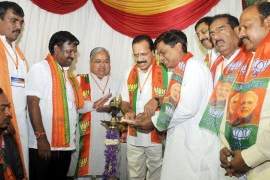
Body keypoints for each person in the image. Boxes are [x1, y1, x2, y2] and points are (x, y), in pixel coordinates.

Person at [134, 29, 219, 179]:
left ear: (178, 47)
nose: (160, 58)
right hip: (183, 143)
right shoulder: (180, 70)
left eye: (163, 52)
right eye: (159, 54)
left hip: (194, 145)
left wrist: (153, 122)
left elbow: (187, 109)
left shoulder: (194, 67)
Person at [219, 2, 270, 179]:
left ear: (269, 23)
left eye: (246, 27)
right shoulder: (247, 61)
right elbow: (232, 108)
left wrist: (249, 158)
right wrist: (226, 145)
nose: (240, 34)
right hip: (244, 164)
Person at [26, 31, 84, 180]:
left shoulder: (69, 76)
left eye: (74, 52)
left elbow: (74, 107)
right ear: (57, 49)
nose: (72, 55)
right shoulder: (40, 69)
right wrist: (41, 138)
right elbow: (32, 104)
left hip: (65, 147)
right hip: (44, 145)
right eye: (69, 51)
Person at [0, 1, 28, 176]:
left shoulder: (20, 54)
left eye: (21, 22)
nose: (18, 26)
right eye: (13, 21)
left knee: (17, 169)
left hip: (20, 126)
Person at [120, 35, 168, 180]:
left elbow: (177, 100)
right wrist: (127, 111)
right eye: (136, 55)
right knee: (134, 176)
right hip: (134, 138)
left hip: (157, 137)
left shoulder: (166, 71)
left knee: (157, 176)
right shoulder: (129, 72)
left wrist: (157, 100)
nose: (139, 59)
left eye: (143, 54)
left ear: (153, 52)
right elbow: (124, 100)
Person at [70, 47, 122, 179]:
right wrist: (94, 105)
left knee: (108, 171)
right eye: (98, 61)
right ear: (90, 63)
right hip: (85, 138)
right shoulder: (80, 80)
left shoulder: (118, 84)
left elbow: (122, 111)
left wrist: (112, 108)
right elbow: (73, 105)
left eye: (106, 61)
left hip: (108, 137)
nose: (102, 65)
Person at [199, 14, 252, 133]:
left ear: (237, 31)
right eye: (212, 34)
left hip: (244, 131)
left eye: (221, 30)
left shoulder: (251, 59)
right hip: (216, 133)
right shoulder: (215, 66)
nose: (216, 37)